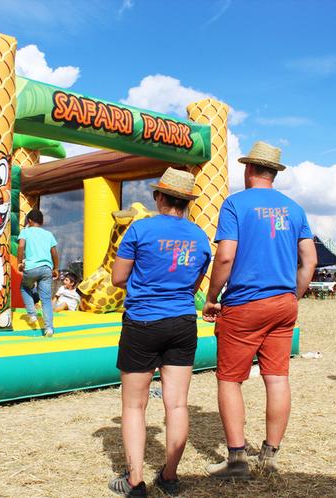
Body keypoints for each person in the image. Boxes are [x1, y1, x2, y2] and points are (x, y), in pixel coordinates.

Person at [202, 141, 316, 478]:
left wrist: (211, 296)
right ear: (274, 173)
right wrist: (292, 294)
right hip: (284, 304)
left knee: (229, 380)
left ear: (249, 169)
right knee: (277, 377)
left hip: (244, 304)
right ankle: (269, 456)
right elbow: (309, 261)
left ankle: (237, 459)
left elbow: (225, 256)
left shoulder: (235, 204)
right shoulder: (295, 209)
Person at [108, 167, 212, 497]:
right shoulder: (199, 237)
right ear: (187, 202)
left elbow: (117, 278)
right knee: (177, 405)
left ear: (159, 196)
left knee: (134, 406)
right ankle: (169, 476)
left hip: (142, 321)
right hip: (182, 322)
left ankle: (135, 481)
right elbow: (194, 284)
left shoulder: (140, 230)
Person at [17, 209, 59, 337]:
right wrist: (56, 268)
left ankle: (32, 314)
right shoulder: (48, 234)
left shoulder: (25, 231)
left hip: (31, 268)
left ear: (29, 220)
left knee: (24, 287)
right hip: (46, 268)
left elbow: (20, 246)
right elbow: (54, 252)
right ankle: (49, 328)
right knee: (46, 299)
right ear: (42, 221)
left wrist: (19, 262)